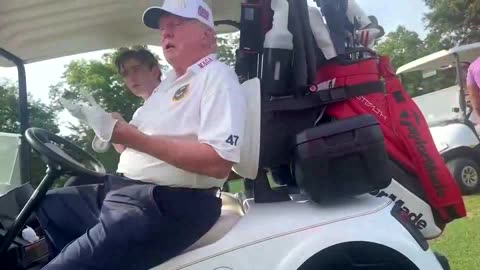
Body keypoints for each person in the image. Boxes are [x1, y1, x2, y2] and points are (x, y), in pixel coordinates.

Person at [36, 0, 246, 269]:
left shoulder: (217, 76)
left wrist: (131, 137)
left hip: (166, 204)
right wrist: (112, 129)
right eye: (162, 29)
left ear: (207, 36)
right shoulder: (167, 86)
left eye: (176, 25)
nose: (165, 33)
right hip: (126, 192)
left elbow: (218, 163)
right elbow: (134, 143)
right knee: (46, 205)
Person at [64, 48, 163, 187]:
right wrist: (109, 125)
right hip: (130, 177)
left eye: (136, 69)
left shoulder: (169, 102)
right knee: (76, 181)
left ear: (154, 70)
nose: (131, 78)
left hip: (148, 182)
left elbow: (154, 144)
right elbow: (124, 149)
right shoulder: (141, 112)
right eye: (125, 74)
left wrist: (120, 125)